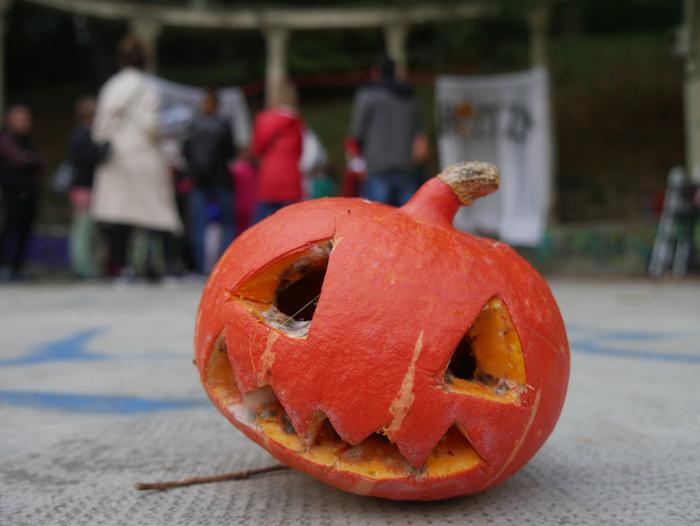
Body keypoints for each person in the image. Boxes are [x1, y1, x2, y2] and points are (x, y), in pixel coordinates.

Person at [90, 34, 182, 279]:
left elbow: (99, 128)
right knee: (159, 214)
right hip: (144, 155)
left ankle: (121, 268)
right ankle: (168, 267)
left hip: (116, 159)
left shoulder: (110, 85)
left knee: (120, 216)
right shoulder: (147, 86)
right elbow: (151, 124)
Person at [348, 54, 429, 206]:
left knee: (378, 222)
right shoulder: (409, 96)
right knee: (406, 222)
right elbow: (419, 135)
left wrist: (357, 162)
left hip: (376, 167)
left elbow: (357, 132)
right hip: (406, 166)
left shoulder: (368, 95)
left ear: (375, 72)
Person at [183, 89, 236, 275]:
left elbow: (186, 152)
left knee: (198, 225)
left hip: (198, 181)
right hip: (221, 180)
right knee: (227, 224)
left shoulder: (192, 125)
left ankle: (200, 267)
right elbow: (231, 153)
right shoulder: (224, 124)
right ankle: (225, 266)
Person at [68, 97, 109, 279]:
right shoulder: (82, 135)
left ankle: (87, 265)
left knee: (88, 230)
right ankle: (81, 266)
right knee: (83, 229)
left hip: (86, 187)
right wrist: (103, 151)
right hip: (84, 188)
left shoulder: (86, 133)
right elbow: (88, 159)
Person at [0, 105, 43, 281]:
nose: (25, 122)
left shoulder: (27, 139)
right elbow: (21, 162)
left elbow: (38, 162)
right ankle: (3, 266)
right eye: (20, 118)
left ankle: (17, 268)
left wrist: (31, 161)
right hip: (13, 192)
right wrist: (29, 161)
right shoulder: (5, 138)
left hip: (29, 191)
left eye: (26, 118)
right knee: (10, 229)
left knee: (25, 230)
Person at [251, 81, 304, 222]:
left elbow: (256, 149)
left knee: (261, 228)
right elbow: (300, 152)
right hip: (291, 180)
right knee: (291, 227)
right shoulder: (297, 123)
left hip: (268, 180)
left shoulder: (264, 120)